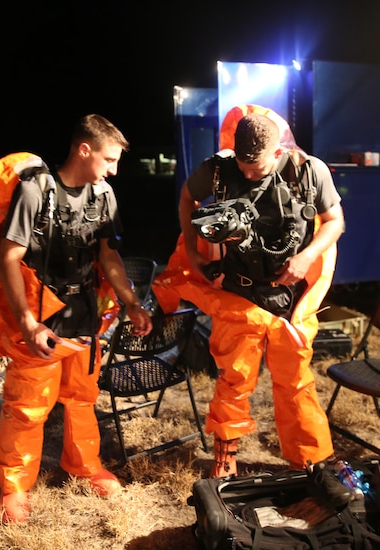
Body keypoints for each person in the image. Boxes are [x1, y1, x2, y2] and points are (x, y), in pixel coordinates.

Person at [0, 114, 152, 524]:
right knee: (27, 406)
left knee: (82, 399)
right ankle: (13, 486)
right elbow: (8, 256)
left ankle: (84, 466)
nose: (114, 169)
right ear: (84, 150)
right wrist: (28, 322)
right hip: (41, 316)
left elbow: (108, 255)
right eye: (108, 159)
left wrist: (131, 302)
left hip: (85, 316)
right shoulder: (35, 192)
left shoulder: (104, 195)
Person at [153, 110, 345, 478]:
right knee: (234, 379)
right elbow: (187, 199)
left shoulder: (309, 172)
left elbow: (335, 221)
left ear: (277, 153)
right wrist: (193, 252)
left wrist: (306, 257)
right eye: (241, 165)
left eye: (254, 168)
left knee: (296, 383)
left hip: (291, 297)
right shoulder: (220, 169)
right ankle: (224, 460)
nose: (245, 174)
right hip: (239, 294)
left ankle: (307, 462)